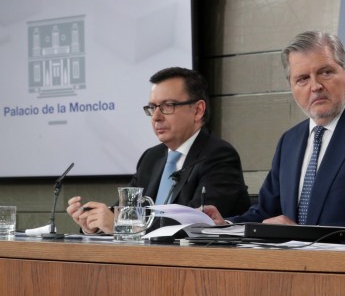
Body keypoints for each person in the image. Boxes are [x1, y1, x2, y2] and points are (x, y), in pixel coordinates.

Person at [203, 31, 345, 231]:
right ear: (291, 86)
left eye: (325, 72)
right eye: (302, 79)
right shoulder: (290, 140)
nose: (315, 86)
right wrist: (226, 224)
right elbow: (267, 212)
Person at [66, 67, 251, 234]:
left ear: (198, 110)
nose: (156, 117)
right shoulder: (151, 158)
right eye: (153, 107)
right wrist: (94, 224)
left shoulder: (219, 156)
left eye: (167, 106)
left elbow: (194, 224)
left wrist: (119, 224)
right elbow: (122, 211)